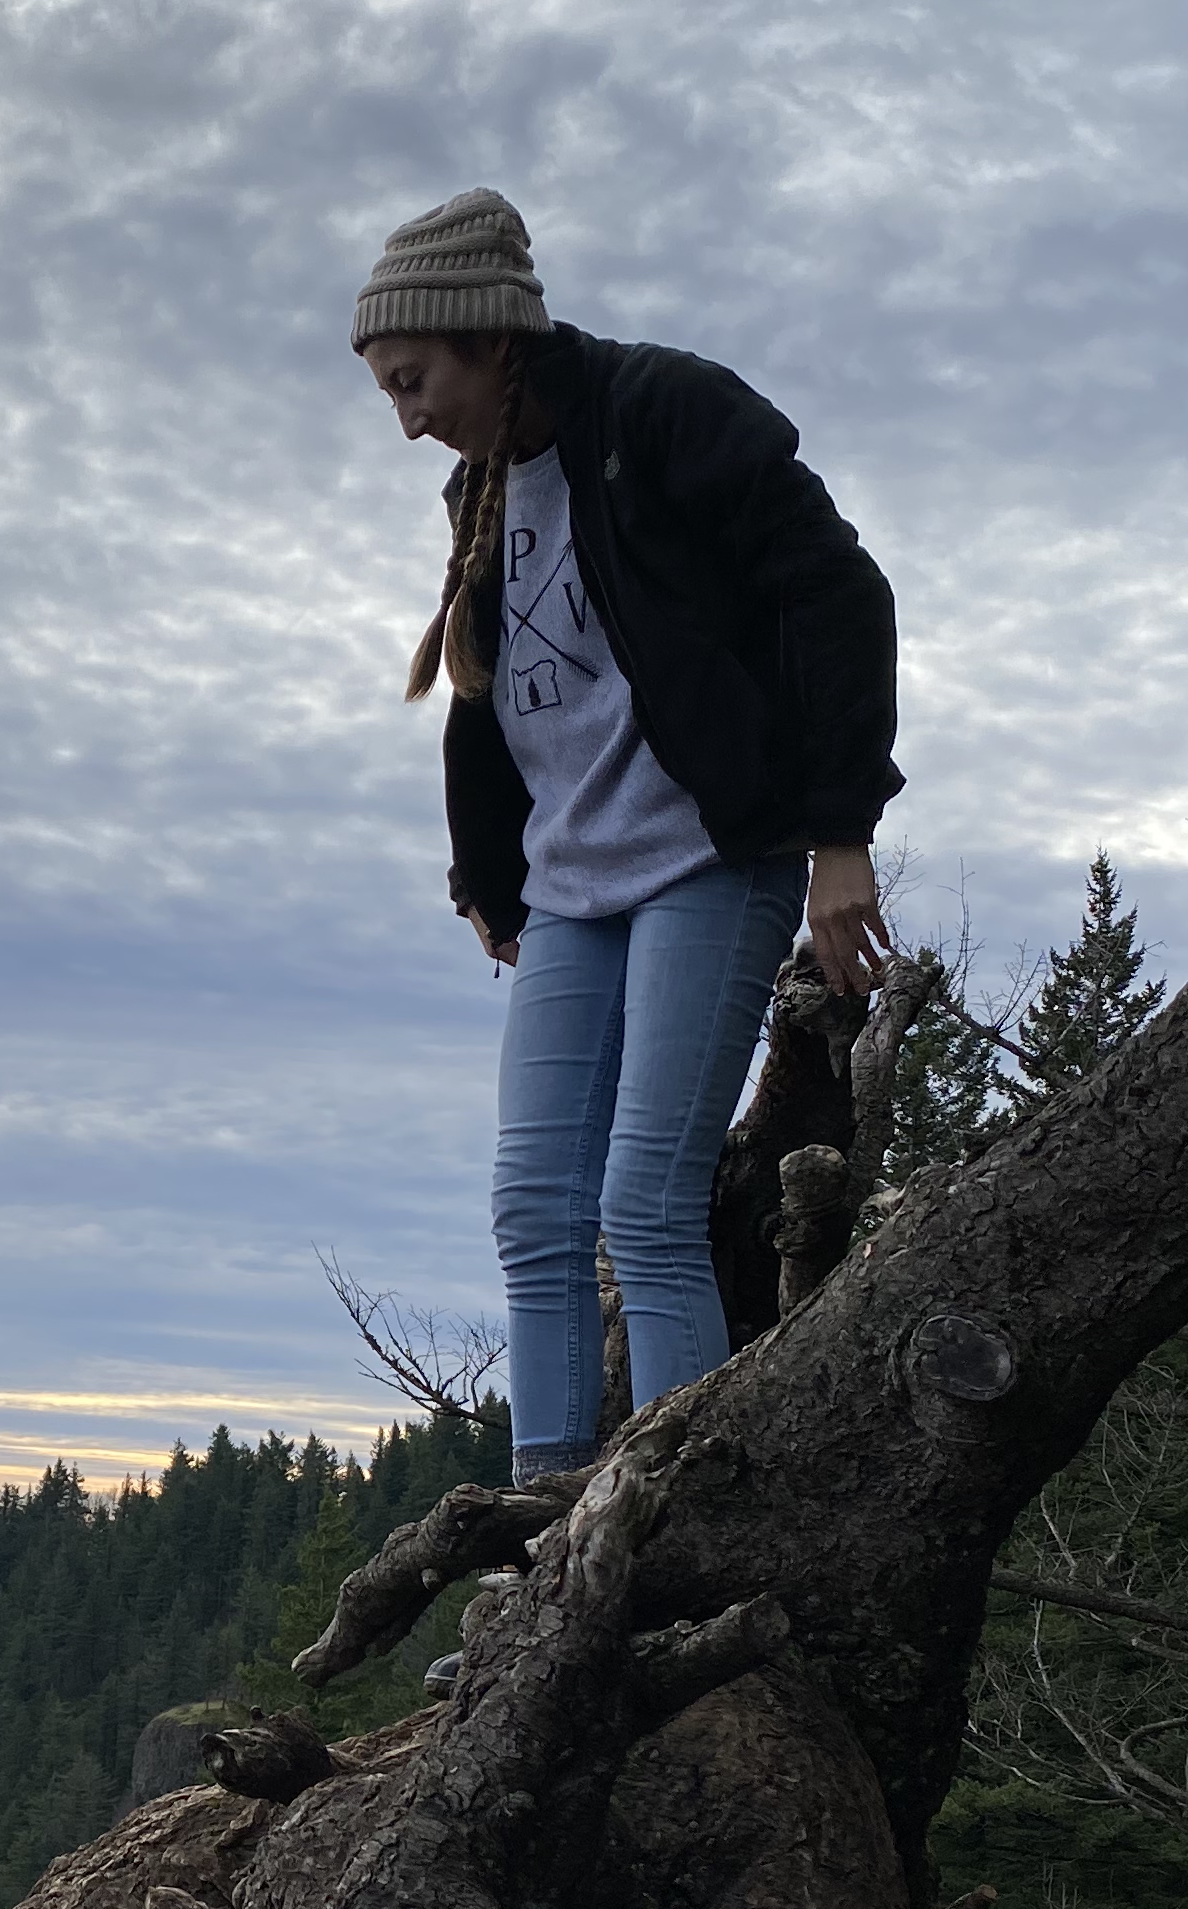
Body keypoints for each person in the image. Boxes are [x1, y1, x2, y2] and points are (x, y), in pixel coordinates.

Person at [351, 187, 905, 1484]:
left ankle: (675, 1530)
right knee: (534, 1217)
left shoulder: (661, 413)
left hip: (708, 862)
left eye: (416, 378)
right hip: (570, 895)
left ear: (493, 340)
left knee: (646, 1210)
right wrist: (487, 880)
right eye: (386, 389)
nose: (408, 414)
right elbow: (493, 708)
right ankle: (547, 1540)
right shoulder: (477, 492)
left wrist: (841, 835)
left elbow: (837, 591)